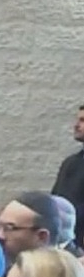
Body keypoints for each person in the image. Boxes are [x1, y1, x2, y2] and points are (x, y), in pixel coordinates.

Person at [52, 104, 84, 246]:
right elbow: (56, 200)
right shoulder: (71, 163)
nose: (76, 125)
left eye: (83, 120)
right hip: (64, 243)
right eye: (77, 120)